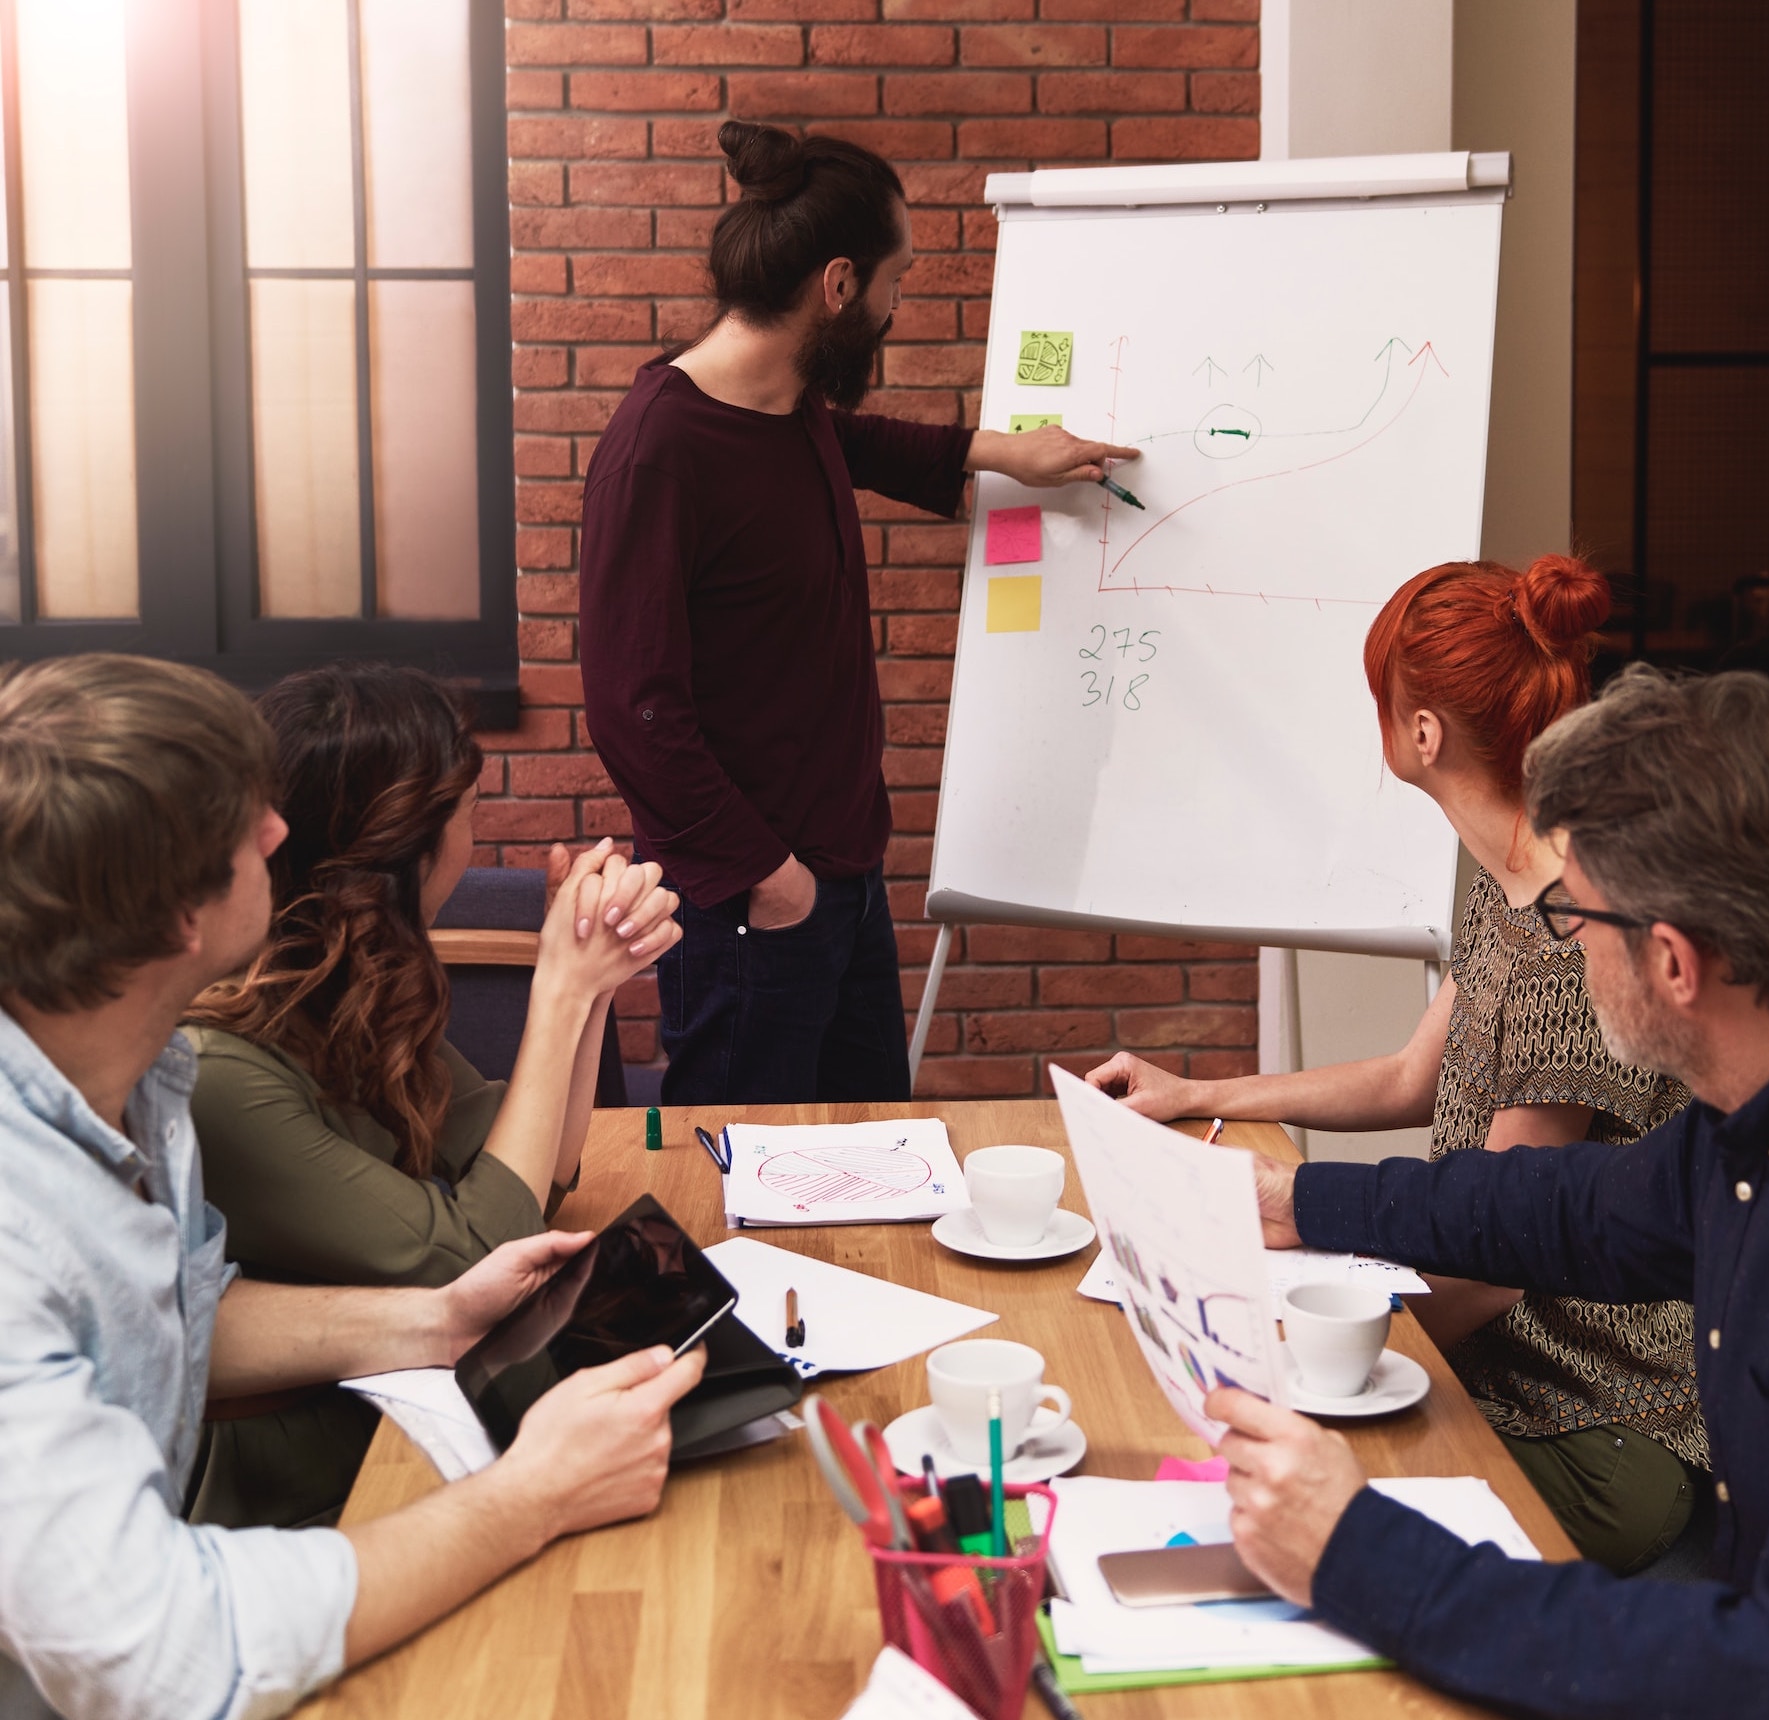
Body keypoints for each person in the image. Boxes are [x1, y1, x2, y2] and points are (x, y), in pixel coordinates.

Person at [0, 653, 706, 1720]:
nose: (281, 835)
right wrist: (534, 1493)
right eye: (244, 826)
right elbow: (172, 1651)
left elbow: (172, 1310)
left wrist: (432, 1316)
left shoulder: (136, 1086)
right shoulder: (19, 1218)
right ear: (175, 916)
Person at [1211, 664, 1769, 1717]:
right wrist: (1295, 1199)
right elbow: (1560, 1207)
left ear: (1674, 961)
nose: (1564, 944)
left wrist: (1358, 1551)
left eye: (1574, 915)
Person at [1085, 556, 1705, 1573]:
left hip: (1584, 1420)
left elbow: (1502, 1258)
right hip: (1493, 1359)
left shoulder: (1567, 940)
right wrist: (1198, 1090)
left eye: (1384, 699)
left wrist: (1304, 1366)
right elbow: (1411, 1075)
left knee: (1263, 1495)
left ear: (1421, 734)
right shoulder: (1514, 879)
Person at [580, 119, 1138, 1106]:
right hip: (751, 904)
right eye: (894, 282)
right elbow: (635, 710)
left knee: (871, 1164)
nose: (896, 305)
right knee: (741, 1192)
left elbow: (855, 442)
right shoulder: (660, 450)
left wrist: (1007, 450)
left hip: (838, 879)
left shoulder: (789, 410)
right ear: (837, 286)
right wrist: (768, 876)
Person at [183, 664, 679, 1529]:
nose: (475, 839)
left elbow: (541, 1178)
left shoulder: (351, 980)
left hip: (412, 1396)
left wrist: (595, 978)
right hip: (310, 1465)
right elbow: (476, 1254)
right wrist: (556, 993)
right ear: (411, 844)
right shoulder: (223, 1067)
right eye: (469, 812)